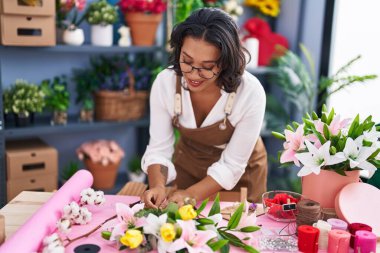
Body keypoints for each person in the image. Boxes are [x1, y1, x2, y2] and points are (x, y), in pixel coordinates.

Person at [141, 8, 267, 208]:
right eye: (187, 61)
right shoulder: (165, 83)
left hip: (241, 177)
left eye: (207, 67)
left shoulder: (250, 93)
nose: (193, 74)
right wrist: (157, 186)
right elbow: (159, 148)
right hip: (189, 164)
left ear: (226, 63)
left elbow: (232, 166)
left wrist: (190, 194)